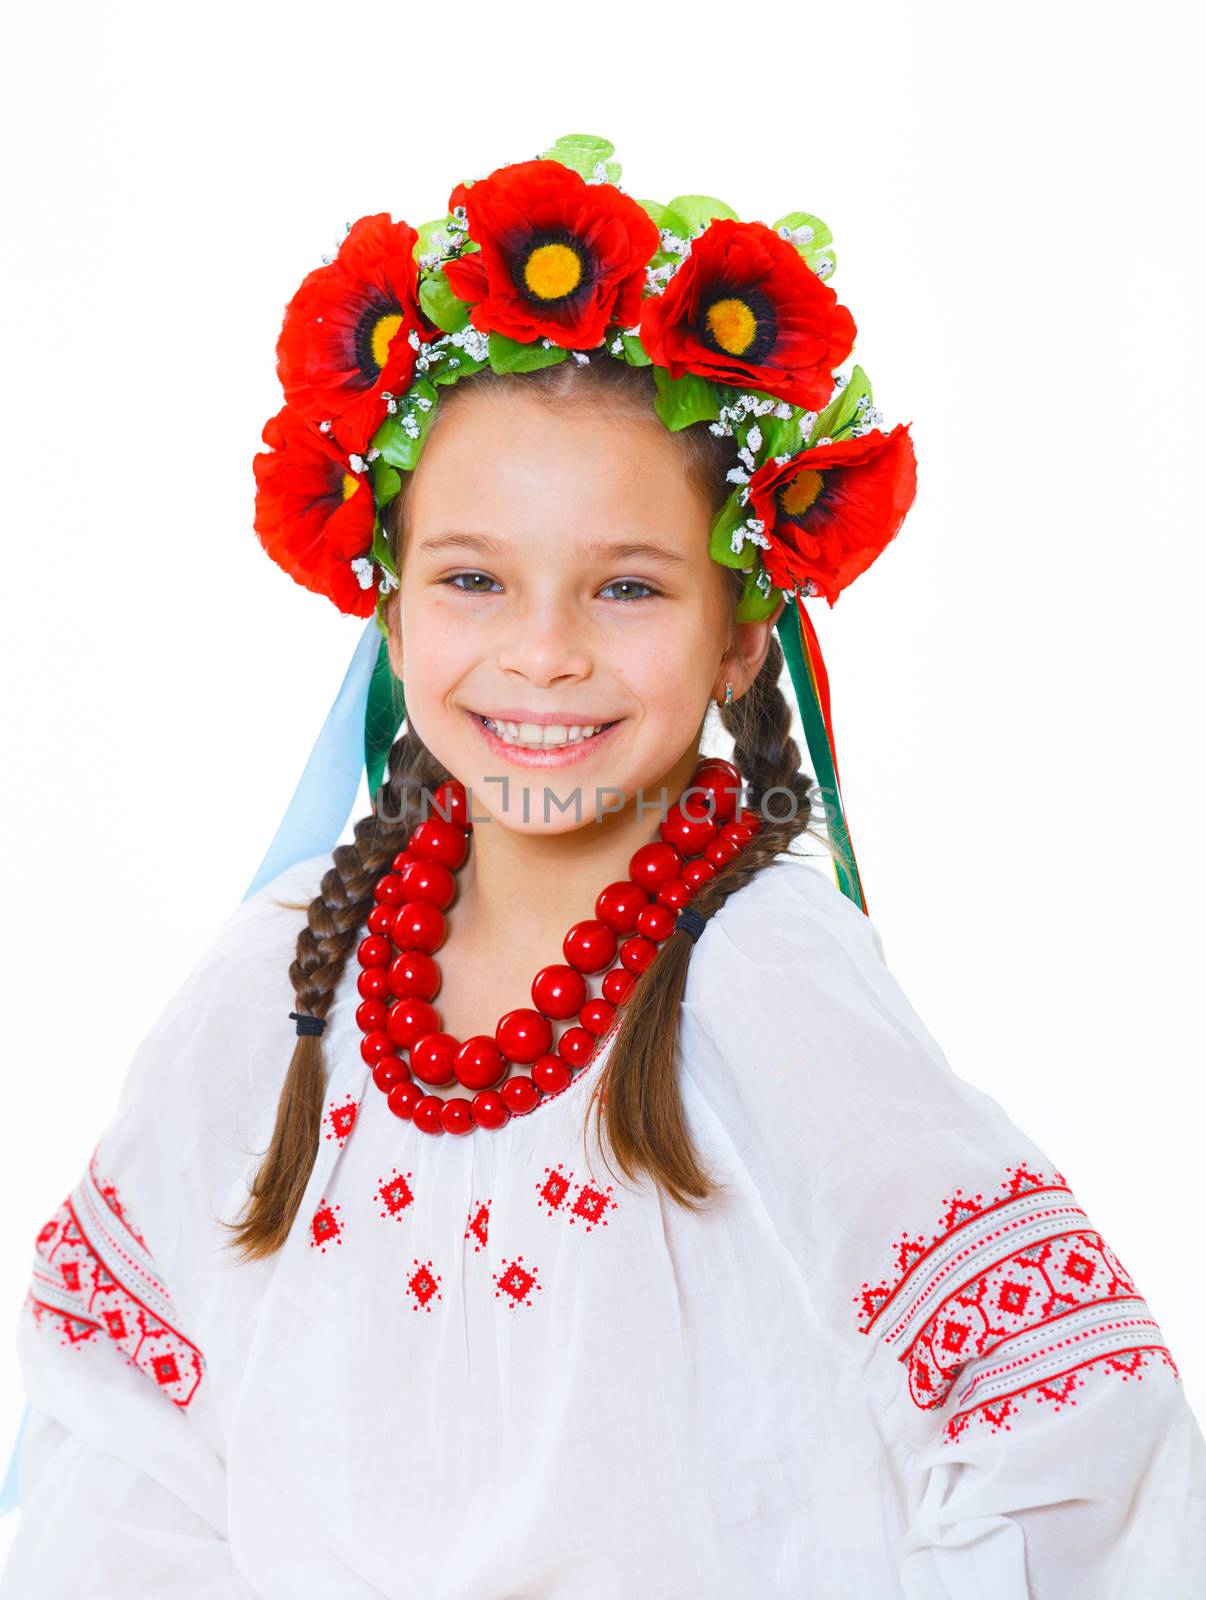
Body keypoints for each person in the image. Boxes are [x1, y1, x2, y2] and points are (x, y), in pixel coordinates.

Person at [1, 132, 1203, 1598]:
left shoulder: (760, 970)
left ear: (742, 632)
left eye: (626, 586)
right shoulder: (282, 973)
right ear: (387, 613)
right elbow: (121, 1428)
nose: (545, 651)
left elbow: (1068, 1413)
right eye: (472, 580)